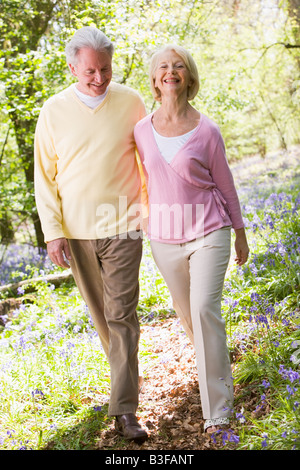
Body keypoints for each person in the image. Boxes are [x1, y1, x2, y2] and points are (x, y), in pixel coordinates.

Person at [34, 26, 148, 443]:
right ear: (72, 67)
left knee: (122, 318)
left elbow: (149, 159)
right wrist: (53, 232)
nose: (99, 79)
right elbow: (44, 178)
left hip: (124, 227)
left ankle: (126, 410)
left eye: (105, 69)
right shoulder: (53, 110)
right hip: (77, 233)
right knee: (104, 321)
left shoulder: (131, 102)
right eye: (90, 72)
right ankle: (128, 383)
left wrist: (149, 210)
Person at [134, 44, 249, 434]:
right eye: (163, 67)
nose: (171, 72)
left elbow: (226, 184)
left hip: (209, 231)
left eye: (178, 66)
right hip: (164, 237)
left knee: (203, 309)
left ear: (189, 77)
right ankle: (214, 362)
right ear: (154, 80)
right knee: (188, 317)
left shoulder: (208, 129)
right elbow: (137, 179)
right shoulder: (141, 131)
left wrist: (240, 233)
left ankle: (218, 410)